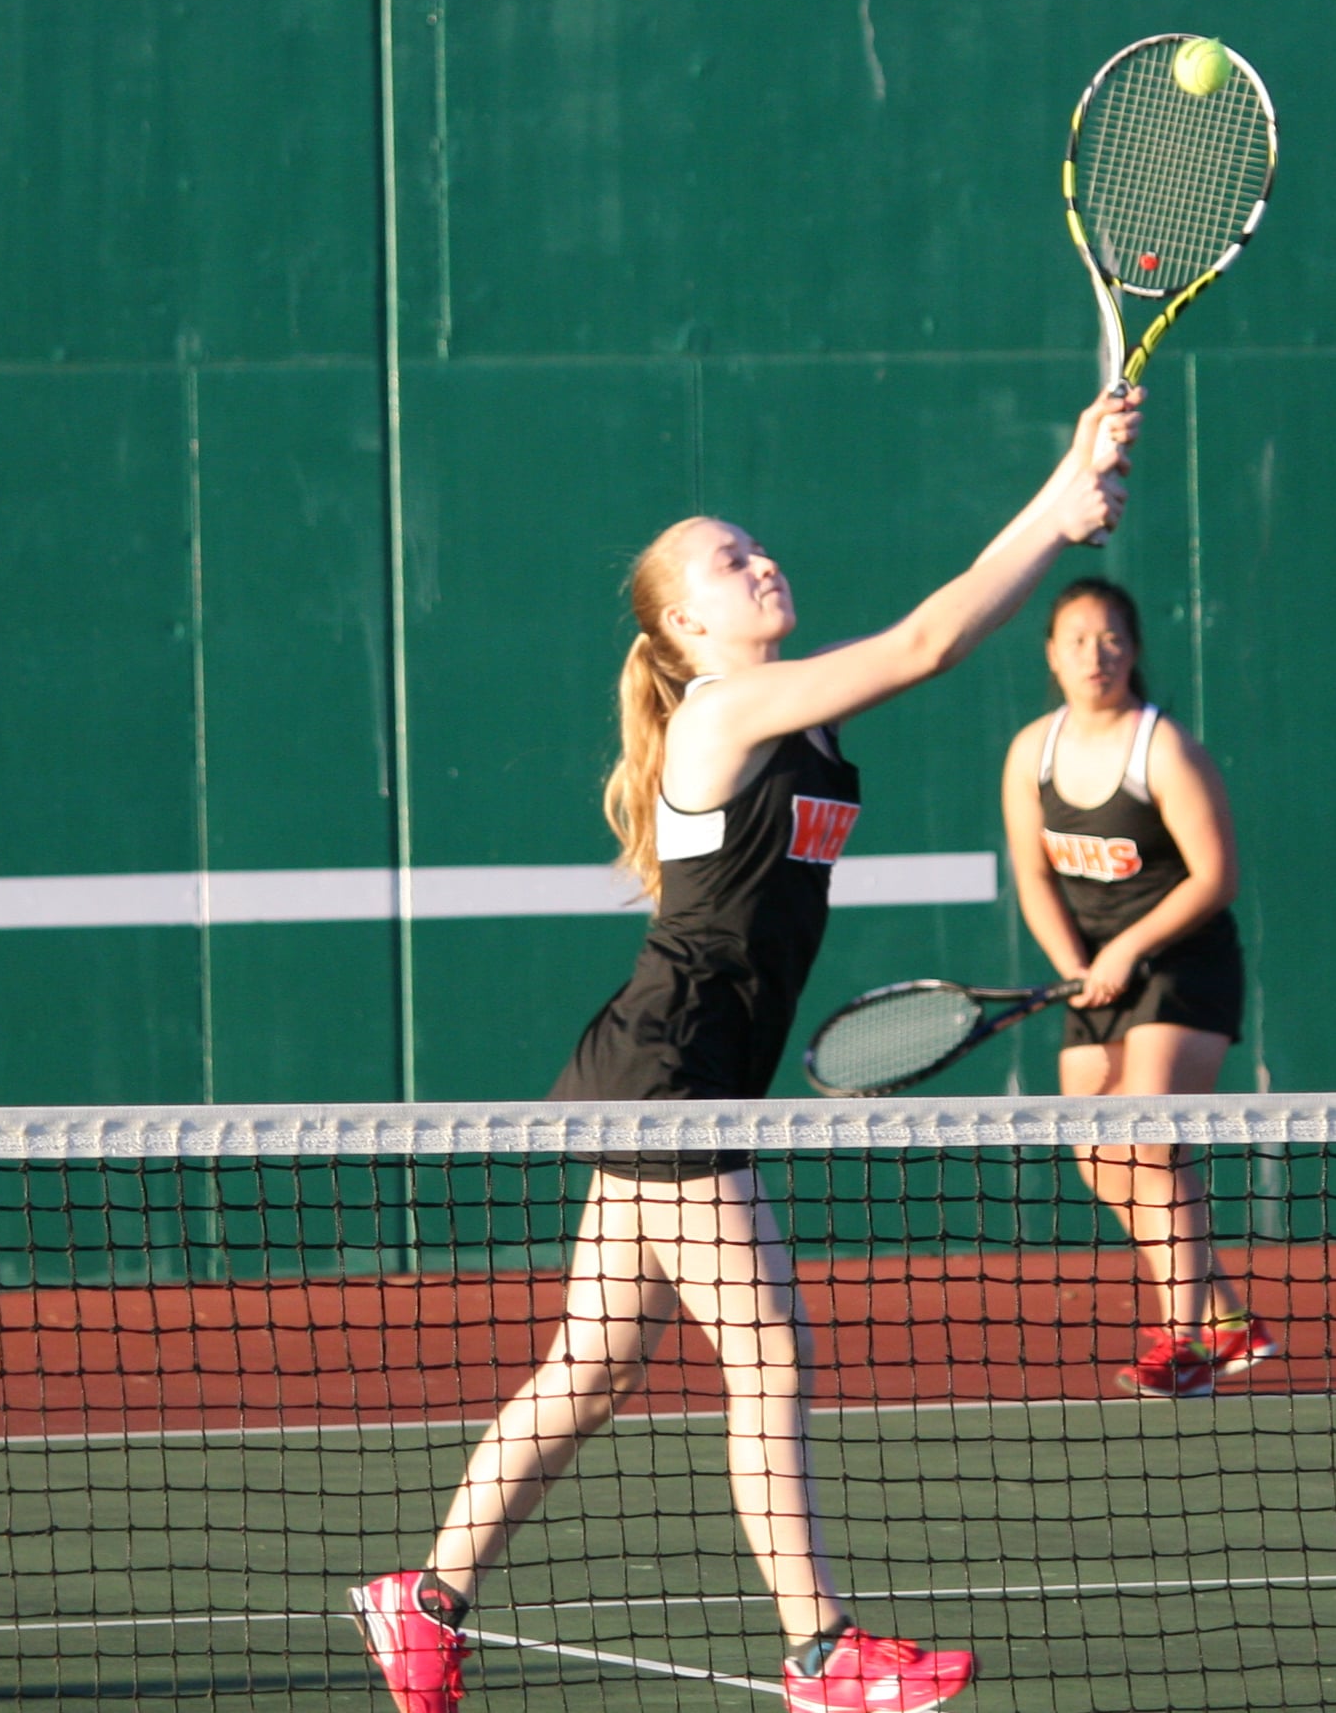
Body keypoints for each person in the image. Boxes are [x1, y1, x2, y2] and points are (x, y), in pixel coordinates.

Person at [351, 390, 1141, 1713]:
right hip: (674, 1073)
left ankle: (421, 1602)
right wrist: (1059, 504)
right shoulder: (722, 713)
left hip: (675, 1067)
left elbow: (915, 641)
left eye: (755, 544)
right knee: (766, 1350)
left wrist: (1068, 486)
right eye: (727, 560)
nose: (759, 560)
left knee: (594, 1369)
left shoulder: (797, 708)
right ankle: (825, 1652)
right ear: (684, 628)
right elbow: (933, 637)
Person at [998, 575, 1273, 1400]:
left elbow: (1215, 876)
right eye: (1077, 639)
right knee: (1099, 1157)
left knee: (1151, 1143)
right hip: (1099, 975)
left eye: (1111, 637)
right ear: (1051, 654)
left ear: (1135, 649)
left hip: (1183, 965)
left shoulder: (1165, 749)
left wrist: (1127, 949)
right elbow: (1034, 876)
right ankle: (1228, 1320)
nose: (1095, 653)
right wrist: (1076, 963)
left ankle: (1185, 1344)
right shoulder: (1029, 753)